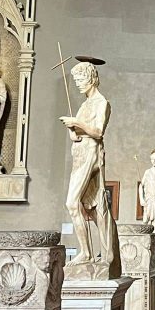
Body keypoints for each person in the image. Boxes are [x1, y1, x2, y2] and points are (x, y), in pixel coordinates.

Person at [60, 61, 120, 276]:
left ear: (92, 78)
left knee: (72, 203)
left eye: (80, 80)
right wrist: (73, 130)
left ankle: (86, 252)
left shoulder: (101, 102)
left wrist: (78, 123)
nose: (77, 84)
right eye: (75, 81)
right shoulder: (85, 104)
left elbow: (97, 131)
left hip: (91, 155)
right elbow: (79, 135)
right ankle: (106, 252)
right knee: (95, 207)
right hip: (80, 153)